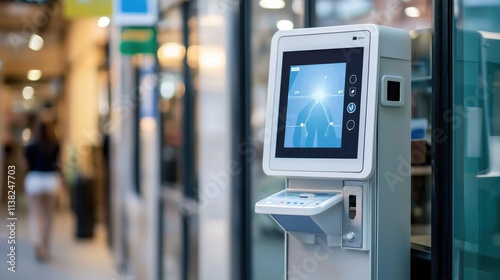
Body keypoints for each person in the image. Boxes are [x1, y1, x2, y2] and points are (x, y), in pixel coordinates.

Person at [24, 119, 60, 261]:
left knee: (35, 215)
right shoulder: (55, 144)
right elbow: (59, 163)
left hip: (35, 181)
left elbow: (25, 165)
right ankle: (46, 244)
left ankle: (37, 242)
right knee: (48, 216)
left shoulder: (31, 146)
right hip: (50, 181)